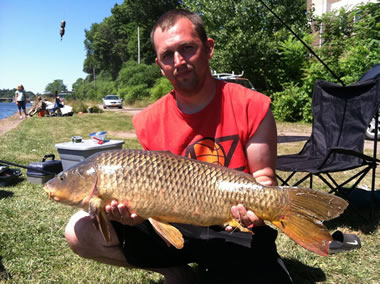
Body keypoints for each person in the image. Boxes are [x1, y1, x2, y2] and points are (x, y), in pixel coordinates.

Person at [64, 9, 292, 284]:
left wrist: (257, 211)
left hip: (237, 228)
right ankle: (176, 272)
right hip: (178, 226)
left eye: (187, 48)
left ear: (208, 49)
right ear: (159, 64)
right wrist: (133, 216)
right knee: (78, 231)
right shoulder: (148, 121)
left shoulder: (252, 105)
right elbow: (151, 198)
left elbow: (264, 178)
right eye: (168, 55)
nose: (179, 61)